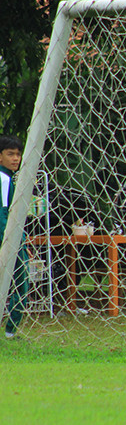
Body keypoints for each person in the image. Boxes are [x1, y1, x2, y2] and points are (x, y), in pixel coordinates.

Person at [0, 136, 28, 338]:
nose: (16, 158)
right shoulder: (4, 179)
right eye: (10, 154)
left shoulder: (9, 177)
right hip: (8, 240)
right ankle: (11, 330)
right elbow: (3, 214)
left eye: (18, 154)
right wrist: (10, 239)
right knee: (21, 282)